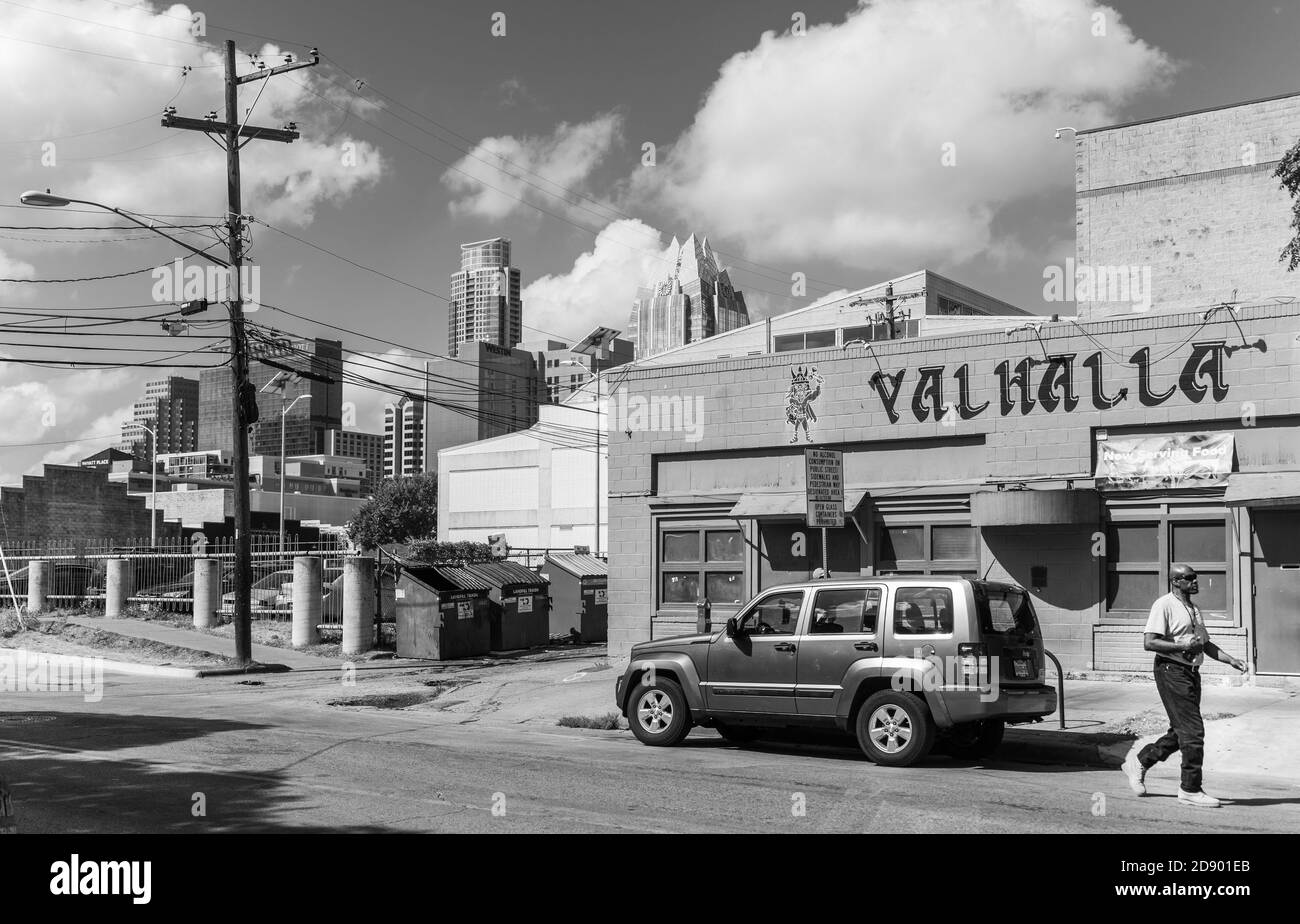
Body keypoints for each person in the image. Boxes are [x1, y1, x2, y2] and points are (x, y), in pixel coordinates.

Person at [1121, 563, 1248, 807]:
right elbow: (1150, 642)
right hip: (1171, 671)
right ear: (1175, 581)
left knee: (1181, 731)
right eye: (1189, 578)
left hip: (1191, 673)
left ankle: (1141, 761)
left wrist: (1231, 660)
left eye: (1195, 577)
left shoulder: (1194, 608)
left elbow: (1204, 644)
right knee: (1193, 732)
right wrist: (1183, 646)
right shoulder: (1164, 605)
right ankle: (1190, 789)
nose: (1195, 581)